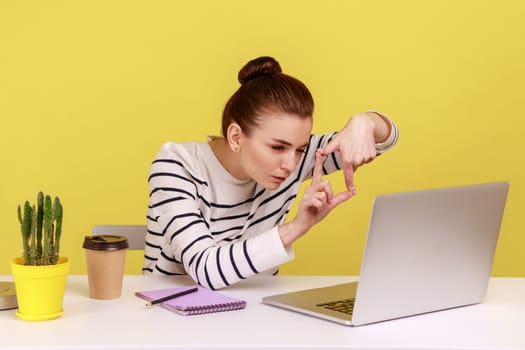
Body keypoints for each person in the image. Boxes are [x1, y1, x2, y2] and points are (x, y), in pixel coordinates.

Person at [144, 56, 399, 290]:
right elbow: (205, 269)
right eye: (277, 147)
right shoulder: (177, 165)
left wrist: (363, 122)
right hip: (175, 313)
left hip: (258, 309)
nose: (290, 164)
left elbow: (384, 139)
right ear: (236, 136)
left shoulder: (298, 160)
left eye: (300, 148)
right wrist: (298, 227)